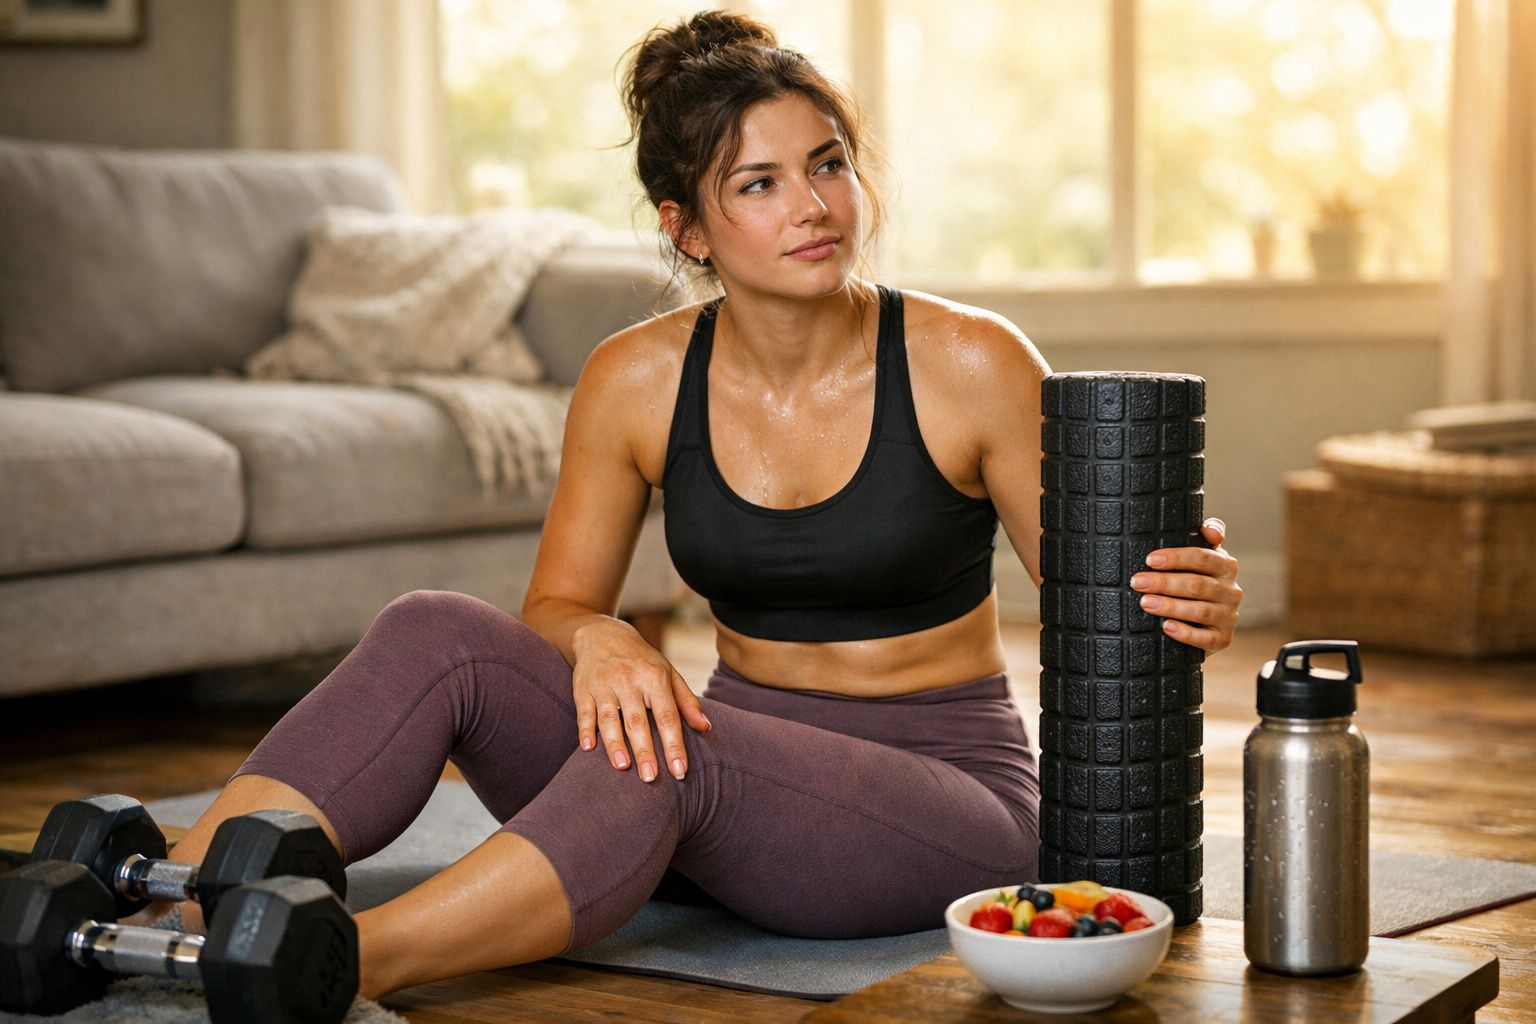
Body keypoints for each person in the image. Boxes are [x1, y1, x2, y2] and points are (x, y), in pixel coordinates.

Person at [158, 10, 1242, 1000]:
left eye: (827, 165)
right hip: (721, 781)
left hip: (944, 798)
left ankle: (331, 964)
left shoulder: (970, 360)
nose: (814, 206)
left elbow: (1110, 601)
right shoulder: (633, 379)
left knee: (676, 756)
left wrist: (1194, 592)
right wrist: (601, 644)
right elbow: (558, 605)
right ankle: (164, 892)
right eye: (760, 184)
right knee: (436, 631)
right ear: (688, 230)